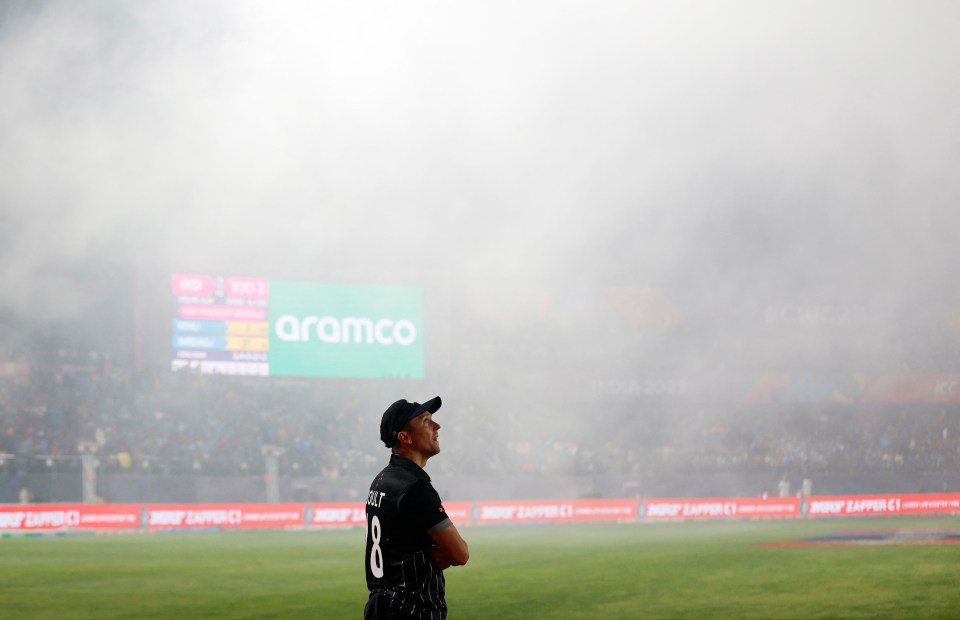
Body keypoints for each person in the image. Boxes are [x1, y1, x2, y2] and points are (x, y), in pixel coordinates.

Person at [363, 396, 469, 620]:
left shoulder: (382, 479)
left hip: (380, 607)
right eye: (425, 421)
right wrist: (446, 553)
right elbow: (460, 554)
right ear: (405, 437)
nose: (437, 426)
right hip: (410, 610)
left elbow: (402, 539)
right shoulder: (414, 487)